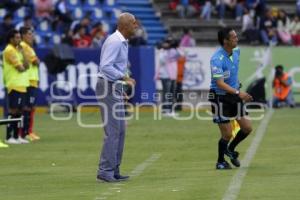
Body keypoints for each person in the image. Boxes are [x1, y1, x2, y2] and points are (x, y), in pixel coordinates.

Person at [95, 12, 137, 182]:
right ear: (125, 25)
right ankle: (105, 170)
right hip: (108, 86)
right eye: (134, 23)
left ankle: (113, 169)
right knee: (113, 131)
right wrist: (124, 78)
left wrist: (121, 89)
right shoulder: (115, 41)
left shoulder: (121, 41)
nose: (136, 26)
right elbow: (105, 66)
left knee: (120, 130)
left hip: (114, 87)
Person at [209, 27, 253, 170]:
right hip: (219, 97)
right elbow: (219, 83)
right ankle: (220, 161)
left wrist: (236, 87)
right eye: (233, 37)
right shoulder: (216, 59)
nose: (237, 39)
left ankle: (231, 150)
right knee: (227, 134)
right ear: (225, 41)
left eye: (236, 36)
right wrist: (238, 92)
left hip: (233, 94)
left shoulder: (237, 51)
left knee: (247, 128)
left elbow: (233, 73)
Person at [2, 29, 30, 144]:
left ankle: (17, 136)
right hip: (14, 84)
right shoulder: (9, 50)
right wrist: (23, 66)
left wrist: (23, 52)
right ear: (11, 39)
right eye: (17, 38)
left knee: (19, 112)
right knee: (13, 111)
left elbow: (27, 65)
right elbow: (21, 68)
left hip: (21, 84)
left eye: (20, 37)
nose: (19, 39)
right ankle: (9, 137)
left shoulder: (18, 50)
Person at [20, 27, 41, 141]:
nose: (31, 36)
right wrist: (37, 60)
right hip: (28, 80)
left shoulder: (29, 47)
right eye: (29, 34)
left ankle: (28, 131)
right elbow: (36, 62)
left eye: (32, 34)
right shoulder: (24, 46)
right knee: (27, 107)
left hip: (32, 80)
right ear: (23, 35)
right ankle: (26, 132)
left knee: (31, 107)